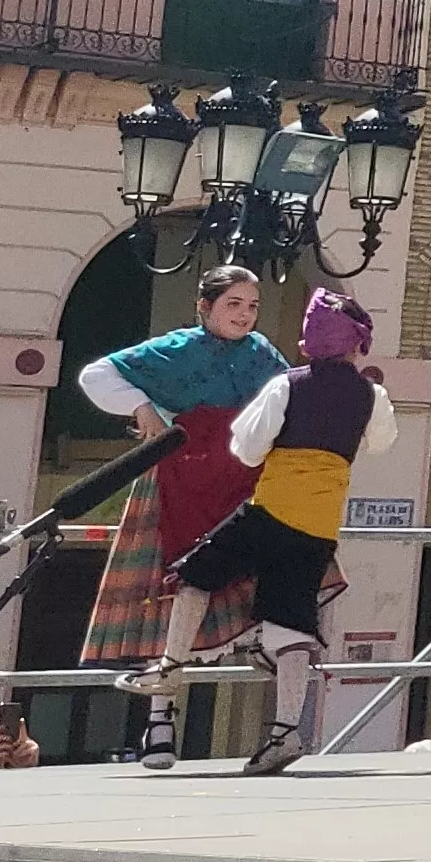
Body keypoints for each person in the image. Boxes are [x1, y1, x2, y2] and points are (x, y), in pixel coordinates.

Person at [118, 289, 396, 777]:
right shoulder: (370, 395)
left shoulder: (287, 385)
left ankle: (170, 668)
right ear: (358, 347)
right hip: (319, 522)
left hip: (270, 508)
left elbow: (247, 447)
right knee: (293, 621)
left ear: (309, 345)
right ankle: (286, 732)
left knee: (197, 573)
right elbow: (380, 443)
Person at [74, 266, 289, 694]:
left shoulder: (262, 353)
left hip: (244, 479)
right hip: (180, 479)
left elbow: (289, 397)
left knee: (261, 569)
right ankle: (160, 721)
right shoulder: (175, 349)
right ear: (204, 307)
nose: (245, 315)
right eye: (233, 304)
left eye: (252, 306)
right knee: (171, 588)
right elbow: (95, 375)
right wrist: (142, 407)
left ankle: (261, 642)